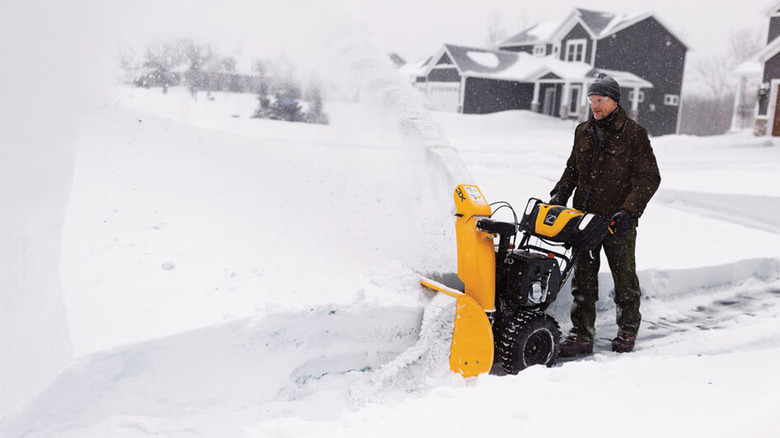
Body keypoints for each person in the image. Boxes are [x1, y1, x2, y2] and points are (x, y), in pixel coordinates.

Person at [549, 73, 661, 355]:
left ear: (614, 101)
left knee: (624, 281)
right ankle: (581, 335)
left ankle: (627, 330)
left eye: (600, 100)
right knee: (583, 283)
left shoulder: (634, 135)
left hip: (616, 222)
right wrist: (560, 193)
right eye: (591, 100)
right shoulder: (583, 131)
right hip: (584, 221)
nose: (594, 106)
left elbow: (649, 178)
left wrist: (629, 210)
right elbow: (572, 169)